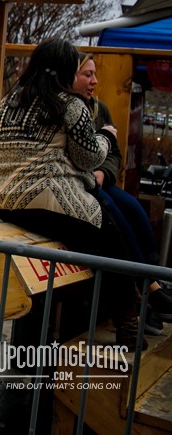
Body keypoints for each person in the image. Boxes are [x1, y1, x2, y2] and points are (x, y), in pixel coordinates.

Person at [0, 39, 145, 348]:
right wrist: (106, 136)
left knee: (107, 222)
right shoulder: (69, 104)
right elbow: (89, 158)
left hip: (5, 202)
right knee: (109, 238)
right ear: (65, 70)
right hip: (49, 203)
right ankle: (129, 321)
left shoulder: (8, 101)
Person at [72, 54, 172, 328]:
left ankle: (150, 283)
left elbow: (113, 152)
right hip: (78, 185)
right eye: (87, 74)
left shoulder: (98, 108)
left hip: (98, 180)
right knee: (115, 216)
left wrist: (104, 172)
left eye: (94, 74)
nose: (94, 81)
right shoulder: (68, 108)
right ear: (71, 76)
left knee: (133, 208)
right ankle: (146, 293)